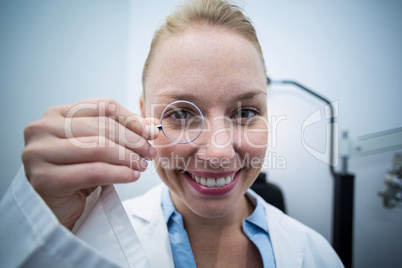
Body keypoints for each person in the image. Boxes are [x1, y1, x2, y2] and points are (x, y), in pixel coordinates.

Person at [0, 0, 344, 267]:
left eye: (245, 112)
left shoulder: (316, 255)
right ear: (142, 115)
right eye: (180, 113)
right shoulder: (82, 238)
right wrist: (41, 220)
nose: (219, 153)